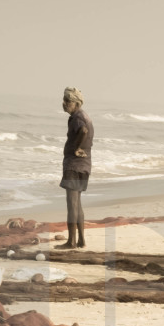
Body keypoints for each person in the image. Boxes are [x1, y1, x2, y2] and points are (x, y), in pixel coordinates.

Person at [58, 87, 94, 249]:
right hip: (85, 166)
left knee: (72, 203)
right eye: (64, 100)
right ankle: (81, 240)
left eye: (68, 101)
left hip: (74, 166)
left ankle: (71, 242)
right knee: (77, 204)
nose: (65, 104)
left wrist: (76, 148)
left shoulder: (77, 117)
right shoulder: (84, 115)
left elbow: (83, 131)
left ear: (76, 103)